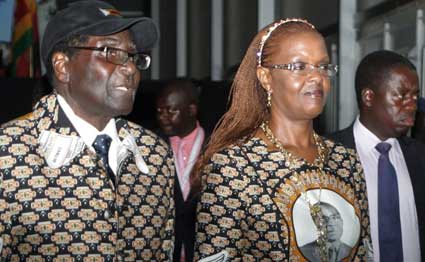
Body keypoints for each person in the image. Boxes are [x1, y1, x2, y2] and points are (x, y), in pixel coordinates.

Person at [0, 1, 175, 260]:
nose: (130, 69)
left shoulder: (154, 155)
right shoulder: (8, 152)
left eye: (133, 56)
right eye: (111, 53)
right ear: (63, 66)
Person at [193, 18, 372, 261]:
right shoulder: (234, 166)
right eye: (299, 67)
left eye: (323, 66)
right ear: (266, 78)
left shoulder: (346, 161)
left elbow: (363, 253)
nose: (316, 77)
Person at [328, 50, 425, 262]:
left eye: (415, 96)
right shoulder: (328, 156)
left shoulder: (419, 157)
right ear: (368, 97)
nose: (412, 106)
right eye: (401, 95)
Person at [156, 79, 205, 262]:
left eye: (170, 111)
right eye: (160, 111)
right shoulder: (150, 147)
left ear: (191, 110)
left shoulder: (218, 147)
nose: (163, 117)